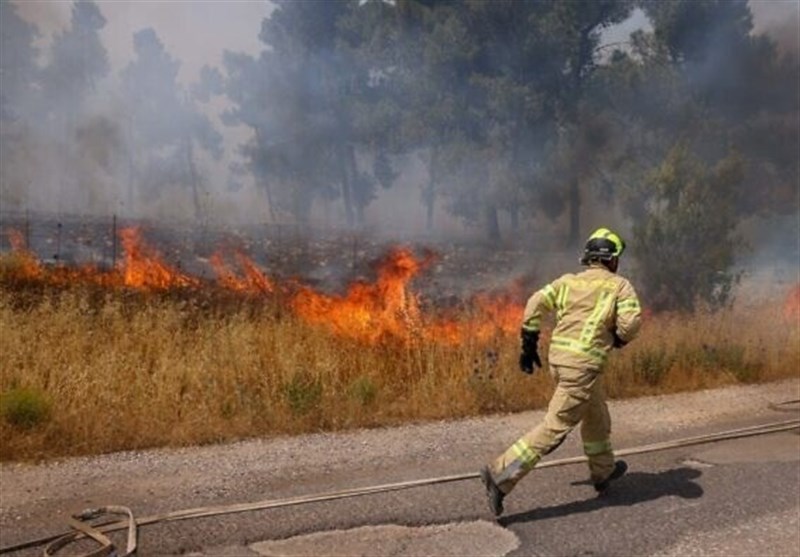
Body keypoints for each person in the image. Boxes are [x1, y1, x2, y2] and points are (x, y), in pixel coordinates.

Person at [480, 227, 642, 517]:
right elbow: (630, 325)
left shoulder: (568, 282)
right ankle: (500, 475)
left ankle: (603, 470)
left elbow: (535, 302)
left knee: (596, 414)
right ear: (612, 260)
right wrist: (618, 338)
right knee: (554, 428)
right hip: (583, 367)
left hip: (560, 362)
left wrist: (529, 342)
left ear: (590, 258)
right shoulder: (620, 286)